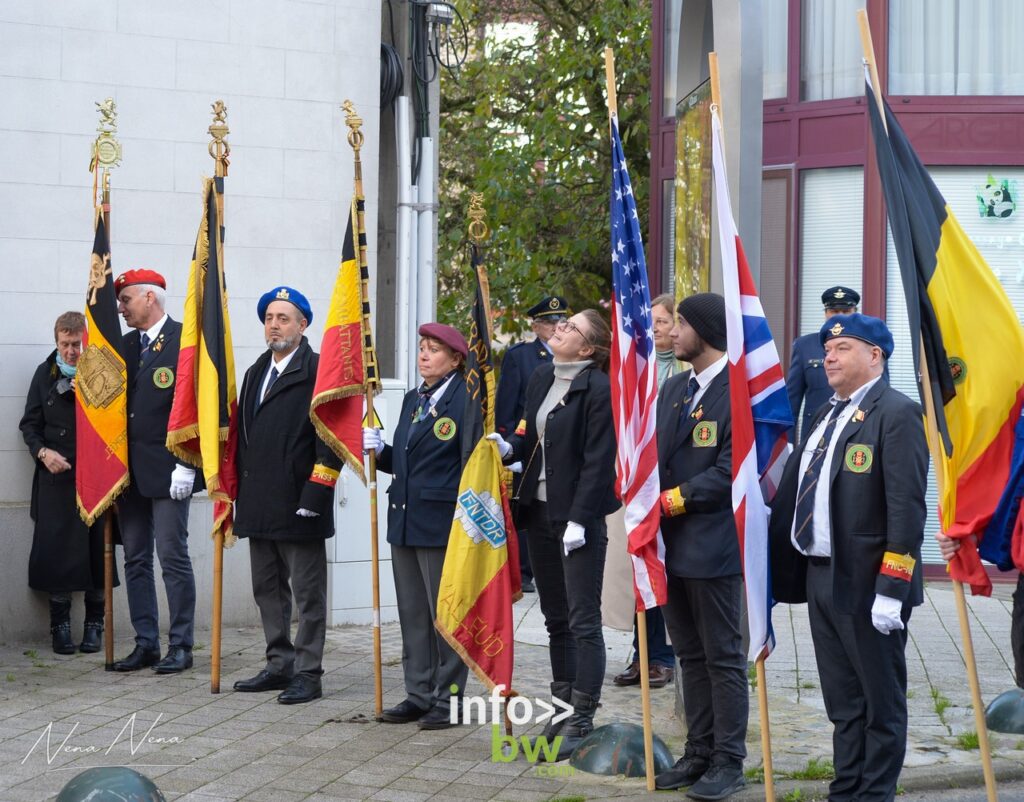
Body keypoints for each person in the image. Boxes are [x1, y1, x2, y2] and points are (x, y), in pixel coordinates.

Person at [770, 313, 927, 802]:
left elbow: (906, 508)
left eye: (841, 349)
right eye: (826, 350)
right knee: (843, 700)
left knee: (880, 701)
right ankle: (847, 788)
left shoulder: (896, 412)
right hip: (822, 576)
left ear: (874, 355)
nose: (828, 358)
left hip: (869, 583)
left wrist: (892, 588)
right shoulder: (824, 412)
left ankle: (875, 793)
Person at [489, 309, 619, 761]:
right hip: (538, 512)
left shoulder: (598, 388)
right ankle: (561, 709)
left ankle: (582, 716)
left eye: (570, 327)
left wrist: (582, 520)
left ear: (587, 348)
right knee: (555, 618)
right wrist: (509, 449)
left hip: (576, 518)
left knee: (584, 620)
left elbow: (598, 461)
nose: (559, 327)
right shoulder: (542, 375)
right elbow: (533, 438)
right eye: (561, 324)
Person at [652, 293, 748, 800]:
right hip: (672, 551)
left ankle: (730, 761)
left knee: (722, 658)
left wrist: (668, 502)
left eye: (681, 323)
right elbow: (653, 456)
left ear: (705, 331)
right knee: (689, 655)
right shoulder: (673, 390)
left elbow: (730, 471)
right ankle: (700, 751)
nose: (671, 332)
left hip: (715, 546)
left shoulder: (739, 390)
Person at [232, 287, 343, 704]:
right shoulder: (256, 371)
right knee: (268, 590)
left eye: (284, 318)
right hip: (259, 500)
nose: (274, 325)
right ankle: (279, 664)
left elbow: (330, 437)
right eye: (269, 318)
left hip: (300, 500)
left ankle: (308, 672)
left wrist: (316, 493)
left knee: (308, 594)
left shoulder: (319, 371)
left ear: (303, 324)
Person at [363, 323, 473, 729]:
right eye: (422, 348)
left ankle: (451, 700)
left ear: (457, 359)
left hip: (442, 523)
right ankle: (419, 693)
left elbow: (468, 467)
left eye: (434, 350)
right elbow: (408, 463)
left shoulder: (467, 402)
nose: (424, 355)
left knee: (444, 617)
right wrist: (382, 451)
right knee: (412, 614)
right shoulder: (414, 398)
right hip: (405, 519)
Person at [113, 269, 202, 673]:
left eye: (126, 299)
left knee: (172, 556)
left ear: (150, 297)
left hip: (170, 472)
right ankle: (146, 642)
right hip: (129, 475)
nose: (120, 308)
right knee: (135, 558)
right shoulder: (124, 345)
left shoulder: (187, 341)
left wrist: (187, 463)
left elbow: (198, 407)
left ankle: (181, 644)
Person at [20, 312, 117, 654]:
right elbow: (28, 425)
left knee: (96, 551)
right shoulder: (44, 374)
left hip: (93, 477)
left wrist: (90, 396)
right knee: (56, 552)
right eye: (66, 344)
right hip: (56, 478)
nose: (73, 352)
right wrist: (43, 453)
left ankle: (95, 625)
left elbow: (117, 422)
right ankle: (59, 628)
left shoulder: (102, 373)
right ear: (56, 341)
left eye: (78, 344)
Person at [613, 292, 676, 689]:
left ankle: (664, 656)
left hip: (669, 483)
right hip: (639, 483)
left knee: (662, 570)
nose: (653, 327)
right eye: (649, 320)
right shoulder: (639, 366)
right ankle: (641, 654)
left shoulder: (681, 371)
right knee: (639, 566)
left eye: (662, 321)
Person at [495, 294, 571, 594]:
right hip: (527, 443)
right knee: (527, 505)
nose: (555, 327)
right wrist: (508, 444)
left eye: (560, 321)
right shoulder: (521, 356)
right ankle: (525, 570)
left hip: (559, 444)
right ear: (536, 326)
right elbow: (508, 403)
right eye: (549, 322)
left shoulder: (570, 356)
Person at [787, 286, 860, 440]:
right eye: (834, 311)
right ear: (826, 313)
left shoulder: (867, 347)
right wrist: (788, 447)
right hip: (816, 434)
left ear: (856, 313)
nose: (840, 316)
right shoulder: (804, 346)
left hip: (855, 433)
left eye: (846, 311)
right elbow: (791, 403)